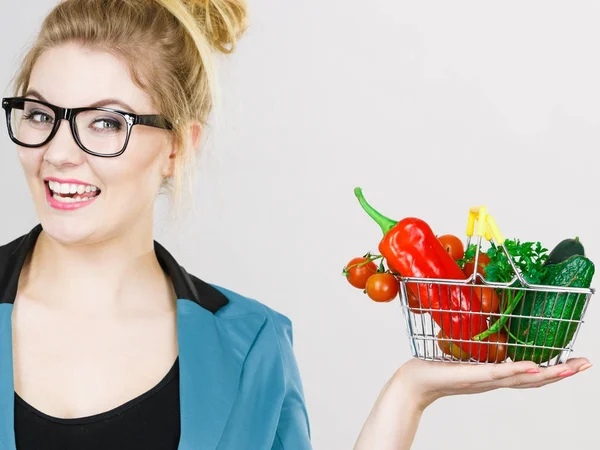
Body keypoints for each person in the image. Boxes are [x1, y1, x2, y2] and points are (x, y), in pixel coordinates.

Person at [0, 1, 591, 449]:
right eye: (39, 114)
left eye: (106, 123)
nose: (57, 152)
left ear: (179, 148)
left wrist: (411, 392)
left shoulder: (252, 347)